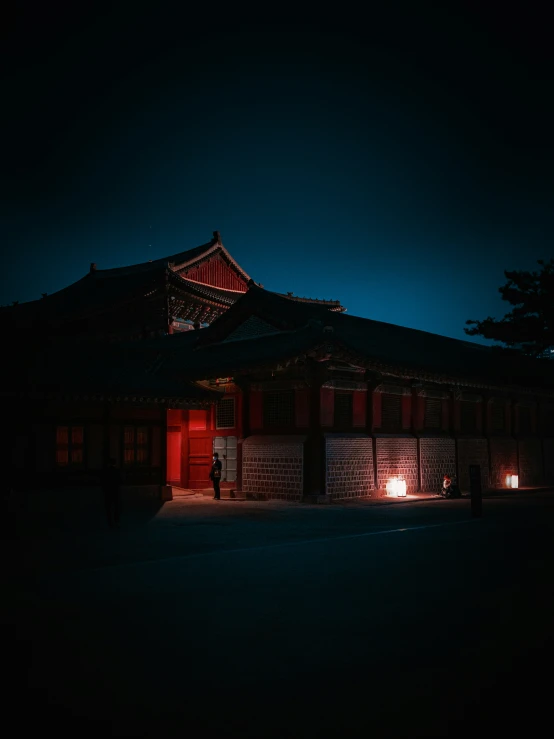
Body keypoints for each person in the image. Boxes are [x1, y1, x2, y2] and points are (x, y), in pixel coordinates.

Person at [102, 458, 122, 528]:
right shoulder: (117, 471)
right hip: (115, 491)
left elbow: (103, 482)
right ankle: (117, 521)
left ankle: (110, 522)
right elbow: (120, 480)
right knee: (116, 507)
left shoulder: (106, 471)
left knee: (108, 508)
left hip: (108, 492)